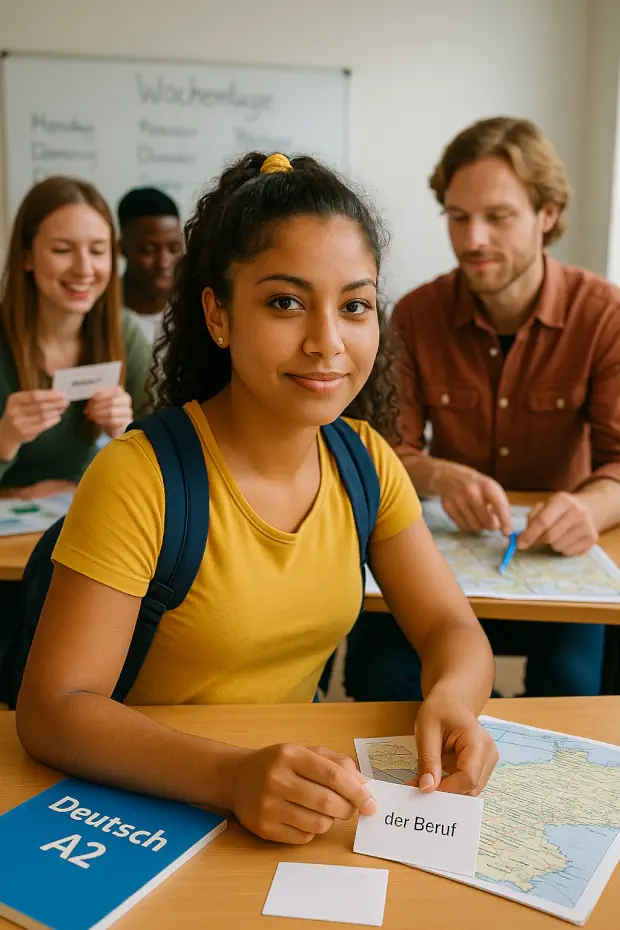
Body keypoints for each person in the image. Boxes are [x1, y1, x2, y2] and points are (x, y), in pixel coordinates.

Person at [17, 153, 498, 846]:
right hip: (147, 809)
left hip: (294, 804)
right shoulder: (139, 476)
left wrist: (455, 700)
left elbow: (453, 629)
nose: (328, 342)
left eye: (355, 305)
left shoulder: (365, 462)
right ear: (218, 315)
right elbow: (54, 710)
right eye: (285, 302)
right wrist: (232, 777)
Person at [345, 117, 620, 702]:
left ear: (546, 215)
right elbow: (386, 449)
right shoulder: (416, 315)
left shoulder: (604, 316)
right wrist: (440, 476)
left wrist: (589, 507)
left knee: (575, 689)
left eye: (498, 217)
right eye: (458, 217)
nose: (473, 239)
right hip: (445, 568)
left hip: (560, 569)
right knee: (382, 675)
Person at [0, 176, 152, 500]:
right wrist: (4, 440)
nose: (84, 269)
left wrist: (133, 433)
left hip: (79, 511)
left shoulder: (122, 330)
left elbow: (176, 445)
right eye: (62, 250)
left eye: (98, 251)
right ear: (26, 256)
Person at [118, 187, 184, 343]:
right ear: (122, 248)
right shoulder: (98, 314)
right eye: (149, 250)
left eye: (174, 248)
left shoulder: (197, 311)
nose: (164, 263)